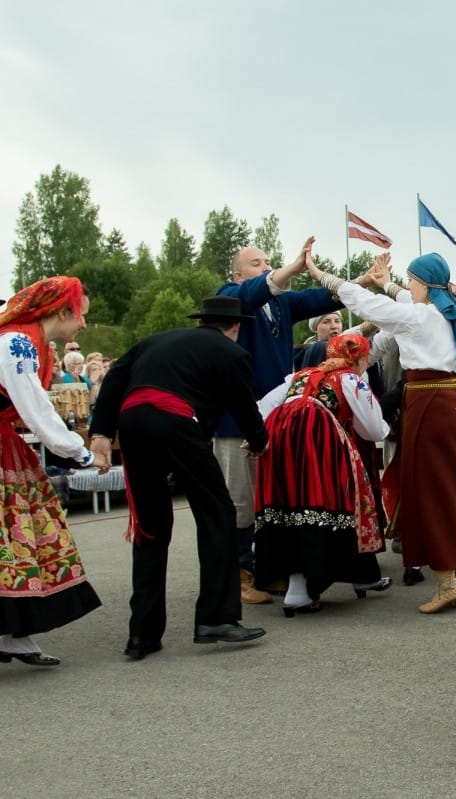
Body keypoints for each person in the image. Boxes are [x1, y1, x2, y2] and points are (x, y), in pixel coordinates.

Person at [89, 296, 269, 659]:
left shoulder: (155, 341)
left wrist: (101, 433)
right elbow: (242, 403)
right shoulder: (231, 353)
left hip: (133, 422)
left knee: (151, 527)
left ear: (202, 322)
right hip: (175, 420)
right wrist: (260, 440)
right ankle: (216, 618)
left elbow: (114, 381)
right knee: (217, 513)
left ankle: (142, 633)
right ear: (234, 327)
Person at [307, 251, 456, 615]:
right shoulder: (448, 312)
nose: (408, 286)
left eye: (412, 280)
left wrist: (321, 274)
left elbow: (362, 302)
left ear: (426, 284)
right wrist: (386, 281)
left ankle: (447, 581)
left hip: (428, 402)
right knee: (450, 488)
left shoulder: (418, 317)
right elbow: (401, 297)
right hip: (452, 401)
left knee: (431, 490)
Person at [214, 238, 344, 605]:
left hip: (273, 419)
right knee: (240, 498)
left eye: (268, 260)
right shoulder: (230, 297)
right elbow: (252, 293)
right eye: (257, 263)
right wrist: (290, 268)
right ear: (238, 274)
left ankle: (264, 568)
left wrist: (362, 282)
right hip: (233, 421)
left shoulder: (279, 303)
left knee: (271, 495)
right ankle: (239, 573)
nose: (266, 267)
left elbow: (322, 300)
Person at [0, 277, 101, 666]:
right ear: (61, 311)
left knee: (22, 532)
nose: (83, 325)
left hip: (5, 444)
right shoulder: (17, 343)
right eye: (80, 315)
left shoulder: (29, 343)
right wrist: (81, 454)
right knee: (18, 529)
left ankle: (13, 632)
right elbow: (36, 411)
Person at [254, 333, 392, 616]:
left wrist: (264, 439)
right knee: (326, 500)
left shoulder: (299, 375)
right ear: (361, 359)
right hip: (316, 433)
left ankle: (297, 590)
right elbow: (374, 429)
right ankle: (355, 575)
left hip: (279, 432)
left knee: (290, 506)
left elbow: (263, 406)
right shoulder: (350, 379)